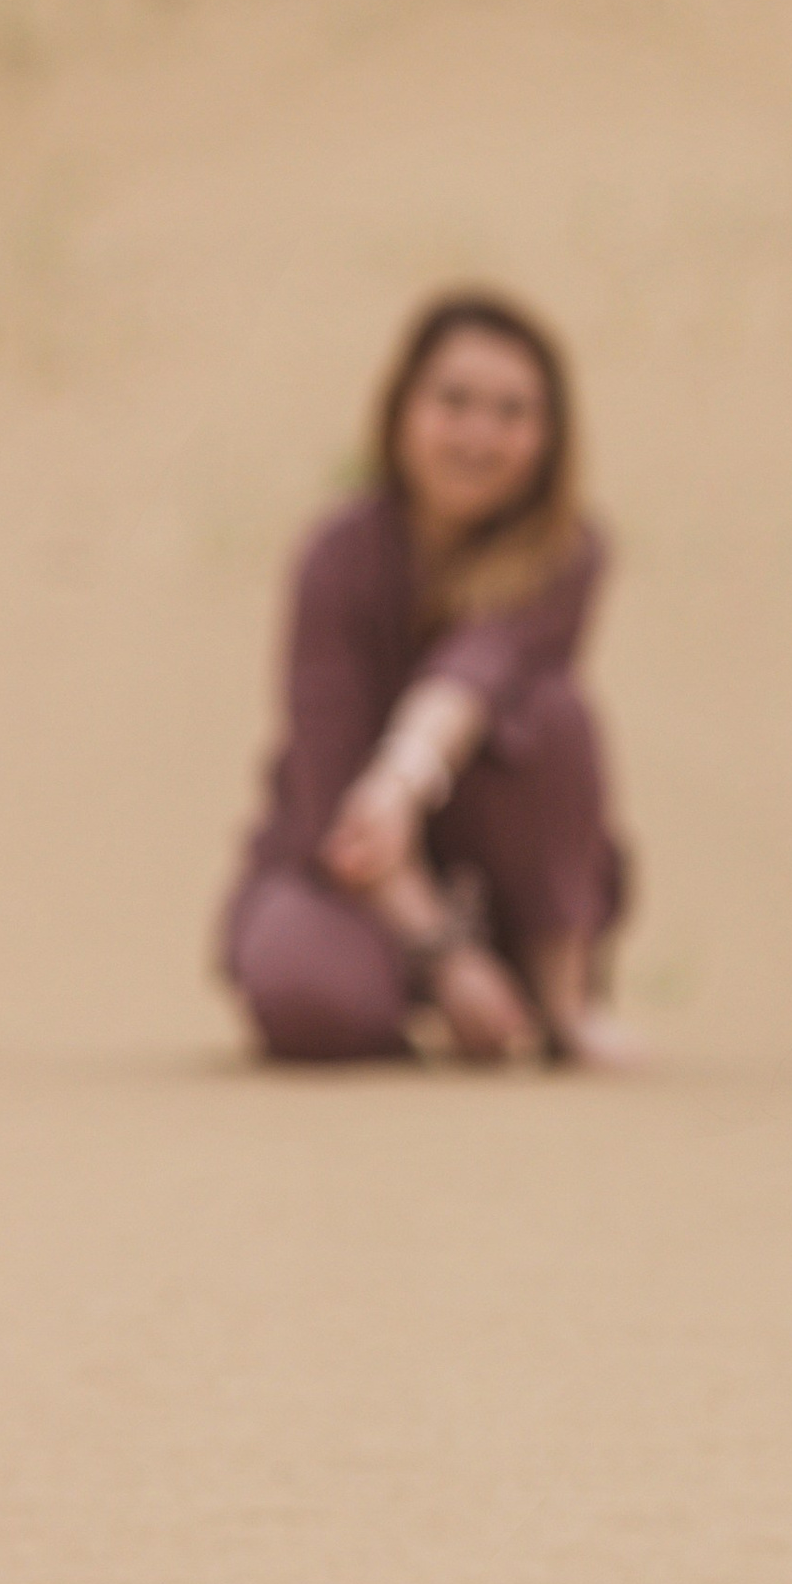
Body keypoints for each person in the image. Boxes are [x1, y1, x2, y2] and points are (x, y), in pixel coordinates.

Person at [220, 286, 633, 1068]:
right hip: (354, 868)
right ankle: (422, 992)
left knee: (554, 716)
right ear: (401, 409)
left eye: (513, 412)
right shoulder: (335, 554)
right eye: (454, 401)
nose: (480, 434)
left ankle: (563, 999)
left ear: (549, 437)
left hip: (495, 859)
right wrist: (445, 955)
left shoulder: (568, 552)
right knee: (302, 989)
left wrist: (401, 782)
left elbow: (478, 667)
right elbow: (327, 780)